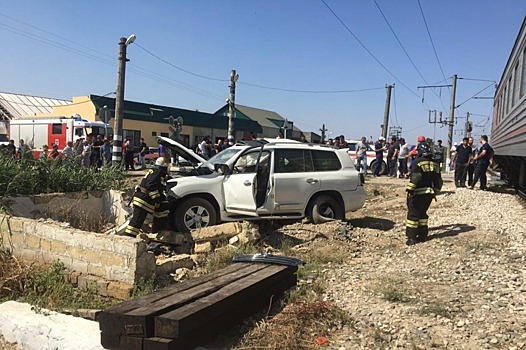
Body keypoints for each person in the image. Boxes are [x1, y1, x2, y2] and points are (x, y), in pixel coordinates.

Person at [405, 141, 443, 245]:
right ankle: (422, 236)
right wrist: (436, 191)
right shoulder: (435, 164)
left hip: (417, 193)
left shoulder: (418, 162)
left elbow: (416, 178)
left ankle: (412, 238)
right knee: (422, 214)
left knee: (413, 215)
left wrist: (410, 189)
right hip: (428, 194)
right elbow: (438, 181)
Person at [125, 157, 170, 237]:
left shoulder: (154, 171)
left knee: (162, 211)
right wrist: (157, 201)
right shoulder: (158, 172)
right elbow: (151, 186)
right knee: (136, 222)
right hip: (143, 200)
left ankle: (157, 232)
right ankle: (129, 238)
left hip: (141, 198)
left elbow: (157, 185)